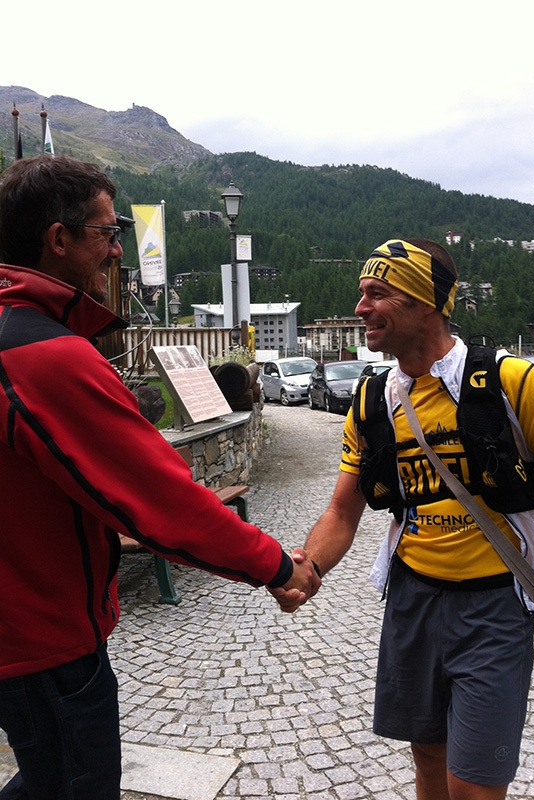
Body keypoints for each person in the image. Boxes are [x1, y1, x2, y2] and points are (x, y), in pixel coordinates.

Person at [0, 155, 320, 800]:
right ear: (57, 239)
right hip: (47, 639)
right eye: (105, 230)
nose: (116, 249)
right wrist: (277, 567)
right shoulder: (46, 357)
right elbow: (157, 500)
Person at [275, 238, 534, 800]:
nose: (361, 308)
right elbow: (341, 510)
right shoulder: (373, 400)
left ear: (427, 302)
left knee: (473, 786)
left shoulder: (512, 382)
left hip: (495, 605)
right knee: (427, 758)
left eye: (378, 294)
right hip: (411, 599)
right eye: (361, 293)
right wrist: (307, 567)